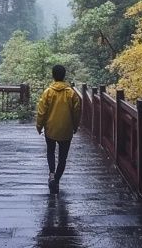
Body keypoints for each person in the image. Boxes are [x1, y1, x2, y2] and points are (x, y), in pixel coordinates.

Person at [36, 65, 81, 194]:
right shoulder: (71, 93)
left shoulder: (48, 92)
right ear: (64, 76)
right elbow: (77, 112)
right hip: (66, 129)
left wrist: (39, 126)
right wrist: (75, 126)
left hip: (50, 128)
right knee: (62, 158)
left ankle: (51, 174)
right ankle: (56, 179)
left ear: (53, 75)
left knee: (50, 152)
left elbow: (41, 111)